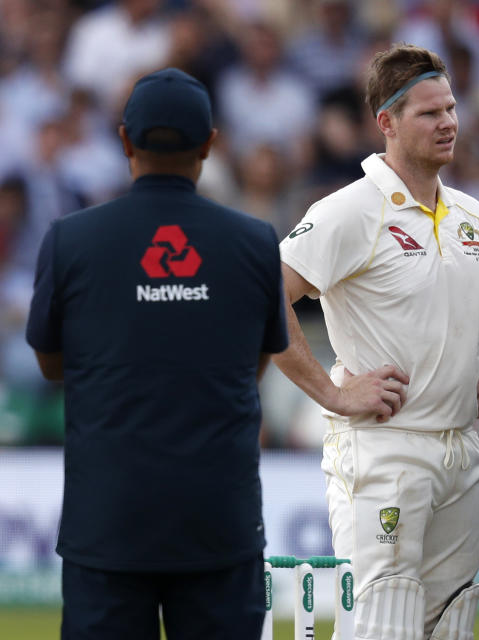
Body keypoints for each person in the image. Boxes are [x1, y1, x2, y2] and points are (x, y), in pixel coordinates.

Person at [25, 68, 288, 639]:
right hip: (220, 523)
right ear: (210, 144)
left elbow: (50, 363)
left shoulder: (71, 239)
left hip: (108, 526)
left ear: (125, 141)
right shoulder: (255, 241)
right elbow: (257, 361)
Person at [273, 43, 479, 640]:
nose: (449, 123)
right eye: (429, 113)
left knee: (449, 627)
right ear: (386, 121)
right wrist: (334, 395)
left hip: (461, 452)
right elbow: (262, 297)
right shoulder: (349, 210)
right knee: (381, 627)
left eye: (452, 108)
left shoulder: (470, 214)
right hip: (384, 451)